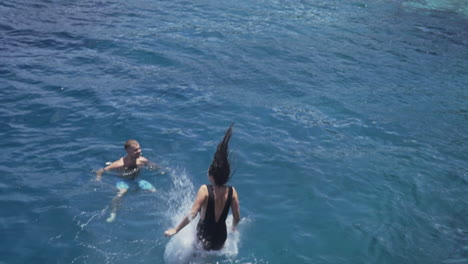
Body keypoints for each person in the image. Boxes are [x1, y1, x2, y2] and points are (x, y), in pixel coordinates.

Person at [164, 124, 240, 251]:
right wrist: (233, 227)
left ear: (212, 175)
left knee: (195, 258)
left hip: (204, 235)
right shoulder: (232, 192)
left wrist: (176, 229)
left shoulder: (205, 190)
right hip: (221, 237)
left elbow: (193, 213)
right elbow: (237, 217)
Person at [96, 139, 159, 222]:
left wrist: (161, 169)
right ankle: (113, 213)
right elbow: (100, 171)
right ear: (128, 151)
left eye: (139, 148)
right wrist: (98, 180)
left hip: (137, 179)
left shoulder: (142, 160)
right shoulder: (119, 164)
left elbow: (153, 165)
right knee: (121, 193)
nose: (139, 151)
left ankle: (157, 211)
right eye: (136, 150)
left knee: (154, 191)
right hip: (123, 180)